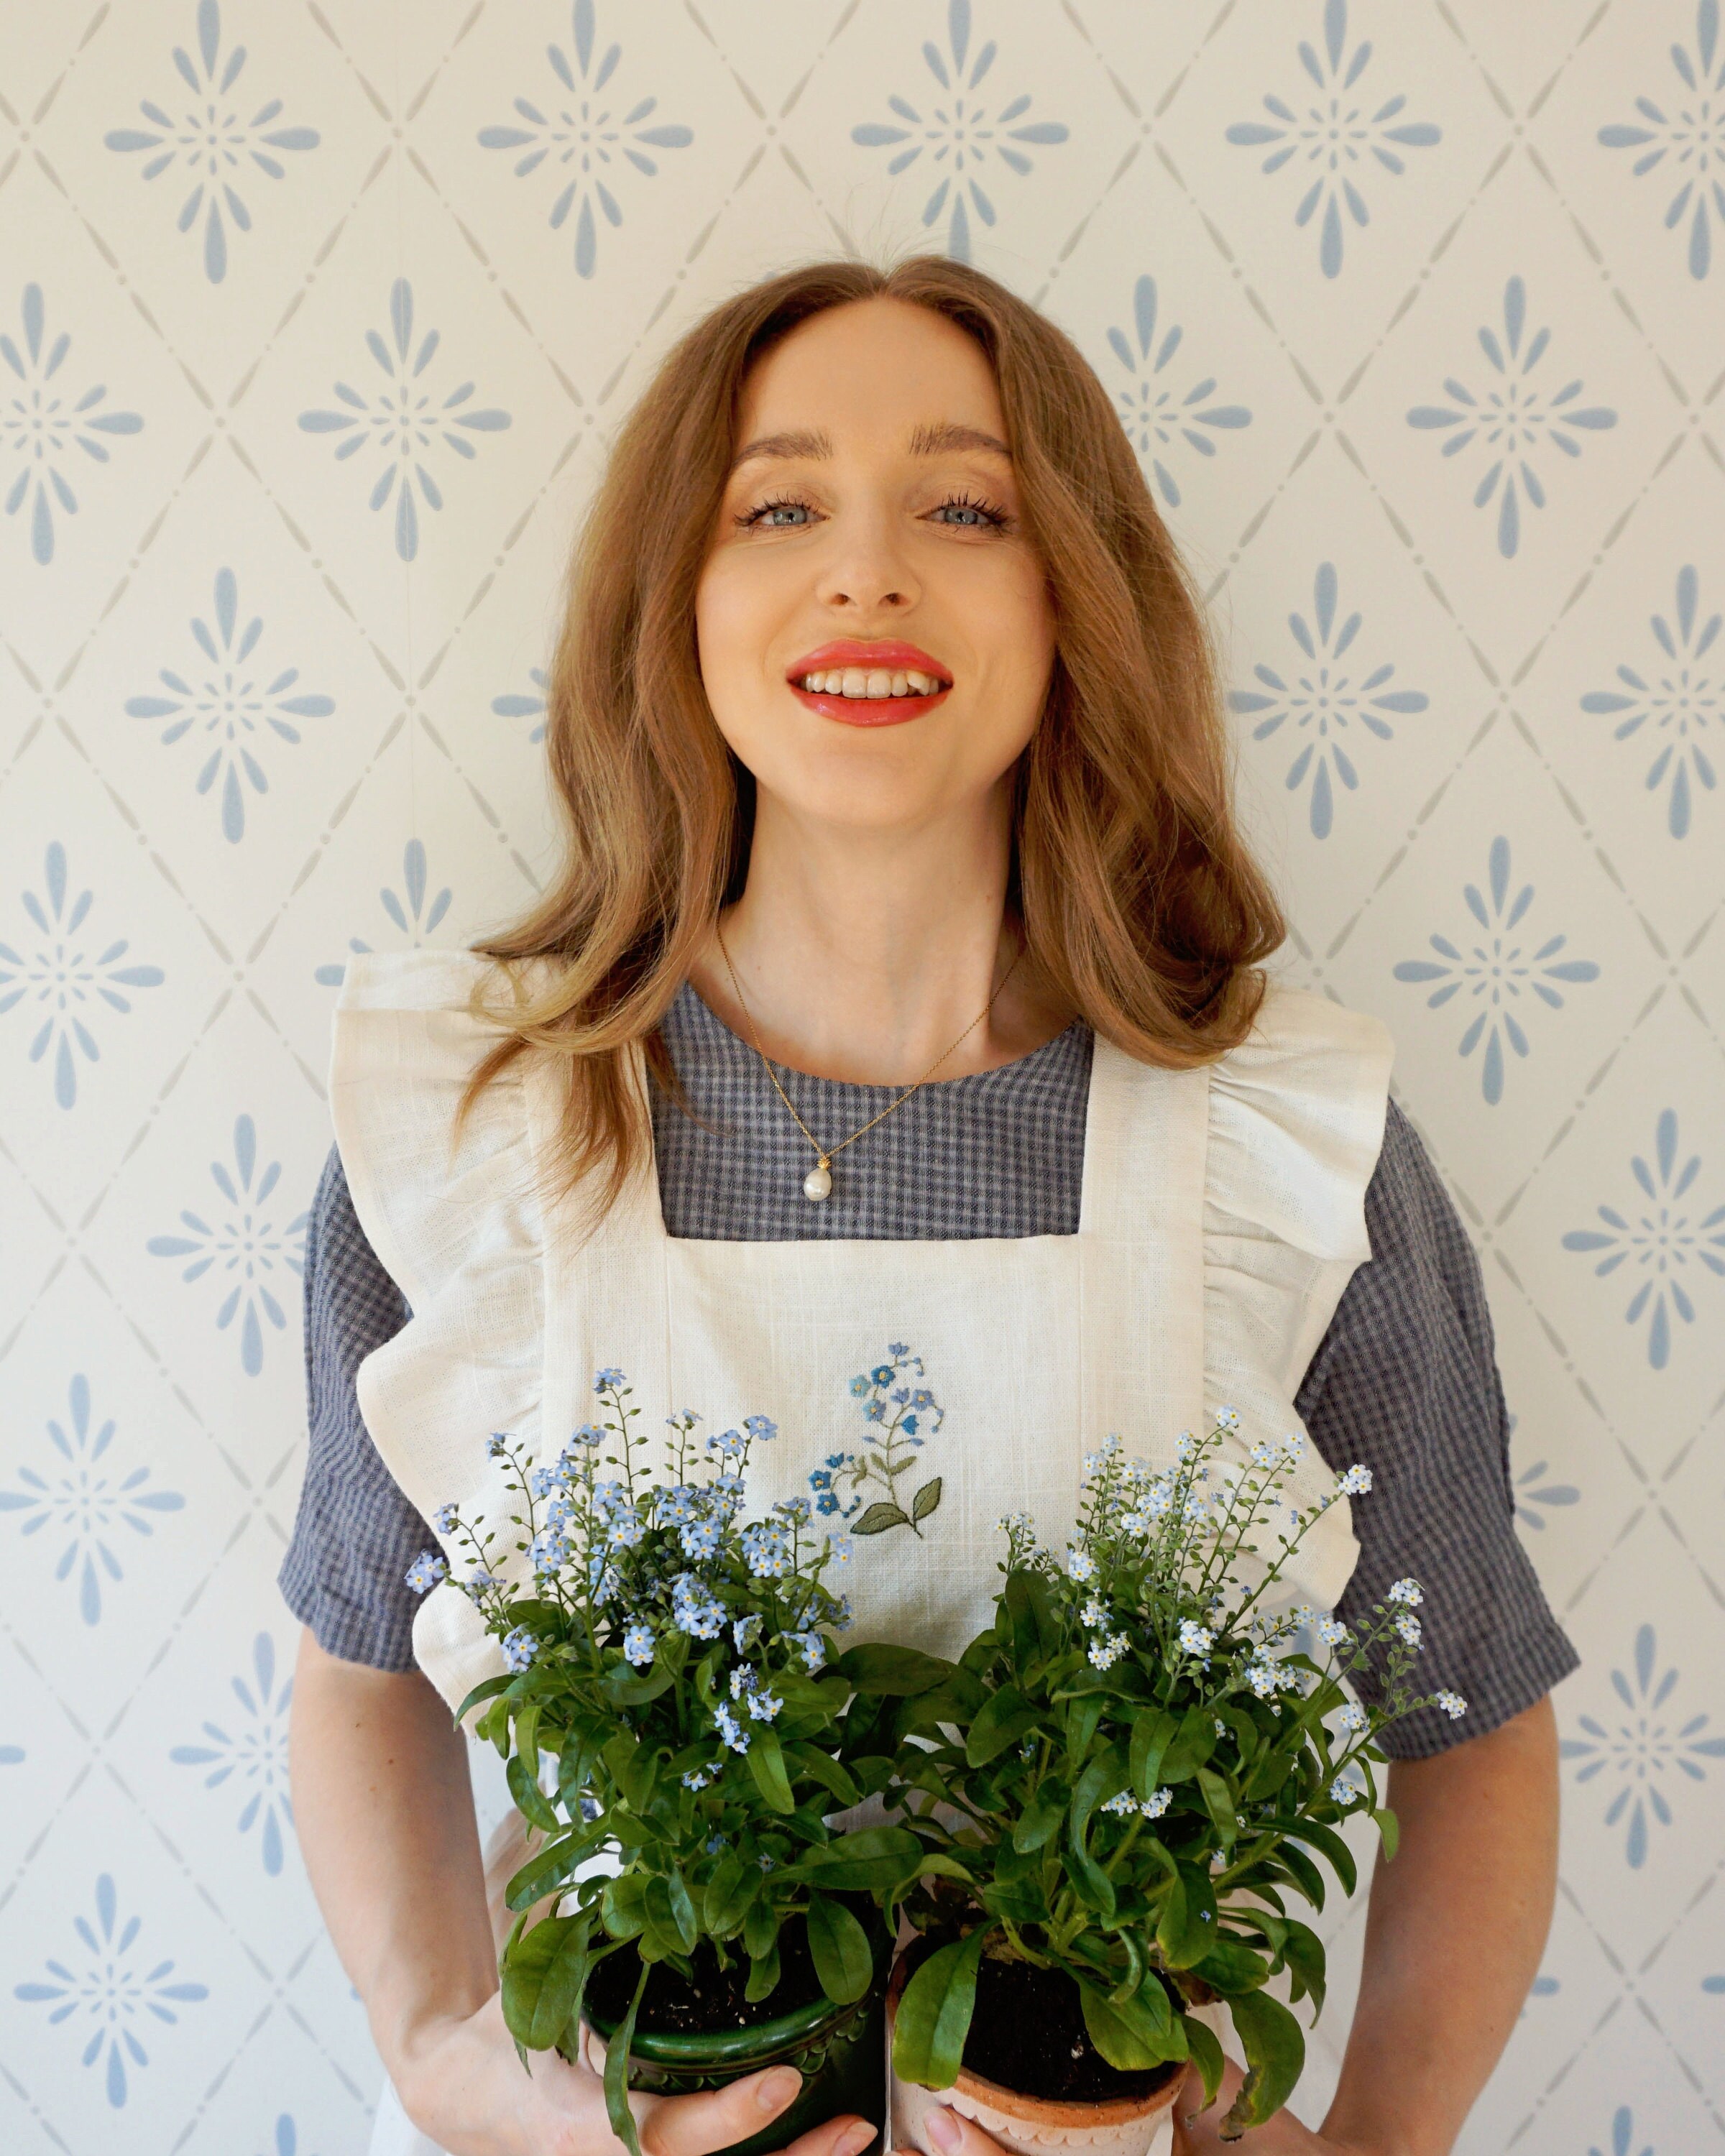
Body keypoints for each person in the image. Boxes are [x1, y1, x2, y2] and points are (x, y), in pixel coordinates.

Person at [283, 257, 1575, 2156]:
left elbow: (1471, 1717)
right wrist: (443, 2062)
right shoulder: (478, 1129)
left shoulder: (1282, 1150)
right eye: (777, 507)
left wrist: (1377, 2143)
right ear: (678, 599)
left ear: (1074, 599)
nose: (867, 574)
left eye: (966, 509)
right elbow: (359, 1660)